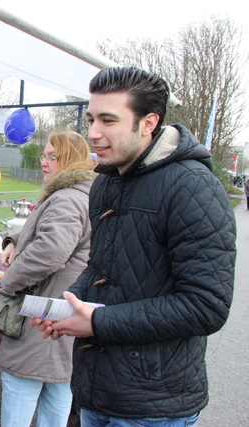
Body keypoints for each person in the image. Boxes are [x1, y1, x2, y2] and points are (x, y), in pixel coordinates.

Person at [34, 67, 236, 426]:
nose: (93, 133)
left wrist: (96, 321)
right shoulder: (107, 184)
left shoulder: (193, 188)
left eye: (108, 120)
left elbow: (207, 306)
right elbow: (100, 268)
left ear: (148, 123)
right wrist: (68, 307)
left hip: (155, 405)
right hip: (95, 390)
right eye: (93, 118)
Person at [0, 131, 96, 427]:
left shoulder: (66, 197)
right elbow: (45, 231)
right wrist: (14, 240)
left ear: (69, 159)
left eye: (52, 156)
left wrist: (8, 282)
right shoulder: (78, 193)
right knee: (58, 391)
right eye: (44, 155)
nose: (44, 162)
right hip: (65, 311)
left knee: (21, 390)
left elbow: (51, 250)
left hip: (43, 315)